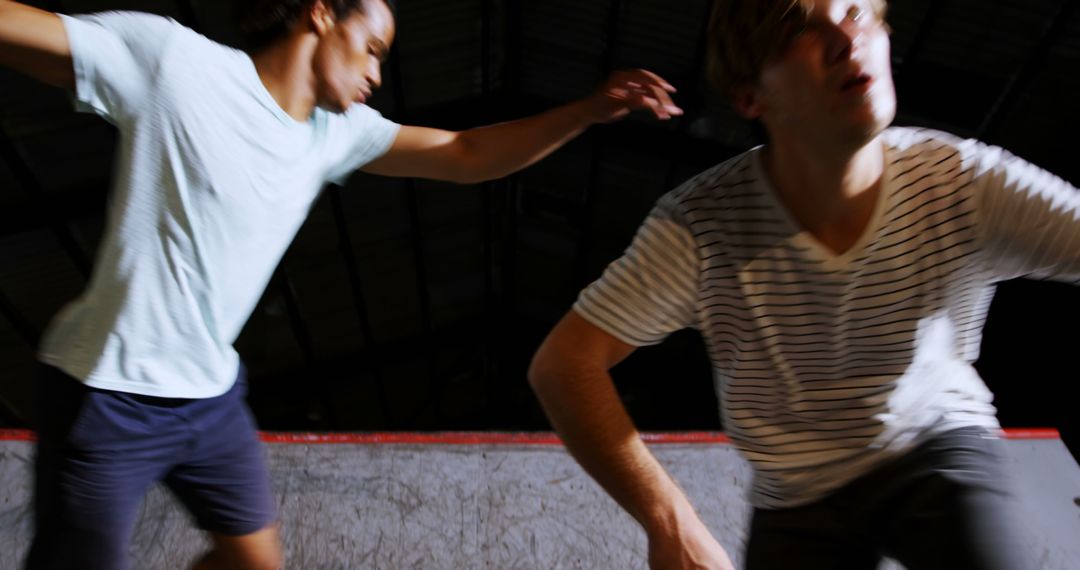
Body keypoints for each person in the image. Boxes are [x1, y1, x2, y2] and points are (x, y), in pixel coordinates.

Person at [0, 0, 684, 567]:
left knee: (255, 564)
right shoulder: (174, 64)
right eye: (374, 48)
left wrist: (586, 111)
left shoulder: (331, 134)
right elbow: (26, 30)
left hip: (209, 396)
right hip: (108, 392)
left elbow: (467, 154)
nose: (377, 74)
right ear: (322, 13)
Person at [528, 0, 1078, 568]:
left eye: (859, 13)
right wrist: (672, 522)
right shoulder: (701, 227)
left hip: (936, 446)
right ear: (749, 95)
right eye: (802, 31)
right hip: (796, 497)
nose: (846, 40)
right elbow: (564, 365)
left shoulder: (963, 183)